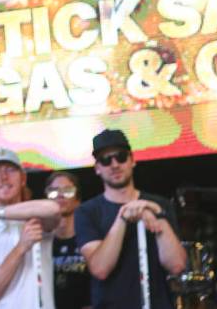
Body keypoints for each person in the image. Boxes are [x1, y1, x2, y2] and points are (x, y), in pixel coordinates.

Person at [74, 129, 186, 309]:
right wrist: (123, 218)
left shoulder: (159, 204)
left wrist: (158, 215)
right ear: (97, 168)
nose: (114, 164)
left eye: (121, 157)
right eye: (105, 160)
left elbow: (177, 265)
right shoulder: (86, 211)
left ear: (132, 160)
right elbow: (100, 269)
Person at [0, 148, 60, 309]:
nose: (4, 177)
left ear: (23, 178)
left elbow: (54, 209)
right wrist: (21, 247)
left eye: (10, 170)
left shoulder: (36, 218)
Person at [45, 172, 91, 309]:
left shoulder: (90, 239)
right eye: (54, 191)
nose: (60, 195)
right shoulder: (39, 242)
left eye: (68, 191)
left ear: (78, 200)